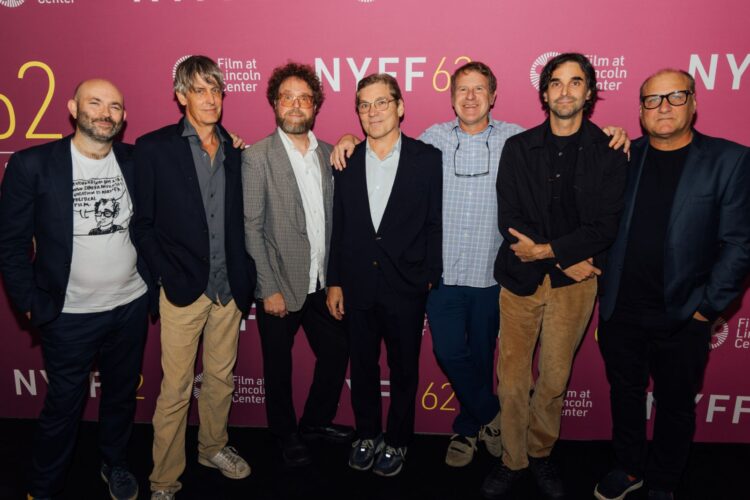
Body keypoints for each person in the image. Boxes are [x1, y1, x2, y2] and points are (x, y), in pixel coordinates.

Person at [331, 62, 630, 468]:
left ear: (493, 96)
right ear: (451, 97)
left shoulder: (516, 141)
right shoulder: (432, 140)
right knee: (449, 352)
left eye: (479, 90)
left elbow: (566, 153)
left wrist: (612, 134)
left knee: (484, 358)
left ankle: (468, 429)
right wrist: (349, 138)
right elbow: (385, 143)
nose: (470, 98)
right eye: (462, 90)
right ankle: (494, 415)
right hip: (444, 277)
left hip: (492, 277)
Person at [594, 69, 750, 500]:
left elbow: (740, 244)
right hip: (622, 310)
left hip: (684, 314)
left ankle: (664, 481)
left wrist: (706, 309)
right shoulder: (624, 156)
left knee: (676, 405)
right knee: (625, 395)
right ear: (640, 110)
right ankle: (628, 468)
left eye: (675, 96)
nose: (663, 107)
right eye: (652, 99)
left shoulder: (730, 160)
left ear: (693, 102)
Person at [481, 53, 627, 500]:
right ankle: (513, 458)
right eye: (556, 83)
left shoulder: (610, 150)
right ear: (544, 93)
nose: (565, 91)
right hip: (520, 279)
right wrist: (563, 256)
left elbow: (605, 226)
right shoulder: (518, 148)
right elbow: (511, 220)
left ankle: (540, 452)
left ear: (589, 91)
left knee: (554, 379)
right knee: (512, 380)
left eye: (575, 82)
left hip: (576, 287)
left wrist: (549, 253)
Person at [0, 79, 151, 500]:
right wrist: (29, 303)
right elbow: (10, 244)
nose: (105, 113)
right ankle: (43, 488)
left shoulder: (136, 161)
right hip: (68, 315)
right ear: (72, 108)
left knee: (121, 397)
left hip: (130, 305)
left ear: (124, 117)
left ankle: (114, 463)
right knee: (62, 408)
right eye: (95, 103)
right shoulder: (32, 165)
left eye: (115, 106)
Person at [132, 55, 257, 500]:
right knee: (176, 389)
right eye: (199, 90)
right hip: (182, 289)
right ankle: (164, 479)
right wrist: (166, 273)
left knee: (221, 378)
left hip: (229, 288)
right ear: (181, 96)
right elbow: (142, 225)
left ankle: (213, 448)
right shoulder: (153, 148)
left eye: (215, 90)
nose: (210, 99)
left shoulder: (237, 151)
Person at [326, 73, 442, 477]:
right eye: (364, 105)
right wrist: (335, 280)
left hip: (406, 286)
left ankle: (398, 439)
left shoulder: (427, 159)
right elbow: (339, 225)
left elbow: (434, 222)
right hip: (357, 284)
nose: (373, 112)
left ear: (400, 107)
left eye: (381, 102)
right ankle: (367, 433)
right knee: (362, 367)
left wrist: (429, 274)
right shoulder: (346, 160)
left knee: (404, 370)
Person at [241, 62, 352, 467]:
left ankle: (315, 423)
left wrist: (335, 279)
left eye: (304, 98)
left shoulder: (329, 154)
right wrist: (267, 287)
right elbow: (251, 227)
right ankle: (285, 433)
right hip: (279, 284)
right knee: (278, 367)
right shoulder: (257, 157)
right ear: (275, 103)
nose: (295, 105)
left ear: (315, 106)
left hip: (322, 284)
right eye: (287, 97)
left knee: (337, 352)